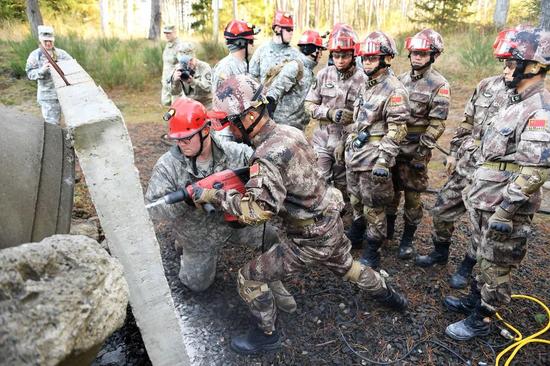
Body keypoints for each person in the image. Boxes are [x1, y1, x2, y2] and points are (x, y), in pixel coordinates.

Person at [193, 74, 408, 355]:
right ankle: (392, 297)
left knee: (249, 277)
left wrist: (217, 196)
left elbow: (258, 211)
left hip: (306, 240)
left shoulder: (266, 156)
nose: (228, 131)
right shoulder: (290, 132)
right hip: (329, 224)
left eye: (228, 123)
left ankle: (265, 335)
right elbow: (296, 176)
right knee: (348, 266)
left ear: (246, 118)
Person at [445, 27, 550, 341]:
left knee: (496, 263)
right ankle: (474, 300)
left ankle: (484, 317)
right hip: (487, 198)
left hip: (505, 205)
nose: (505, 68)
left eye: (511, 62)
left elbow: (535, 170)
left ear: (533, 66)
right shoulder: (516, 102)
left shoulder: (539, 110)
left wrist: (506, 210)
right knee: (480, 253)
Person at [145, 98, 294, 312]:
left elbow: (263, 170)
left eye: (187, 138)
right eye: (177, 139)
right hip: (198, 235)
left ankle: (271, 277)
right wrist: (186, 203)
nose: (181, 143)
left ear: (205, 130)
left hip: (236, 223)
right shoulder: (167, 166)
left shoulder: (235, 152)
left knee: (268, 235)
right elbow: (154, 209)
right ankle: (184, 248)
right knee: (196, 285)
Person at [416, 29, 514, 290]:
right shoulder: (486, 86)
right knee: (441, 209)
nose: (507, 69)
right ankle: (440, 252)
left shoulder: (527, 101)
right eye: (505, 63)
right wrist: (454, 153)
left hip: (495, 176)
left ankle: (468, 265)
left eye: (513, 64)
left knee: (480, 225)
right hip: (467, 165)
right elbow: (466, 123)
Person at [345, 31, 410, 268]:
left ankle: (373, 250)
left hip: (373, 159)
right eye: (365, 58)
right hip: (356, 156)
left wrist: (383, 160)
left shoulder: (394, 89)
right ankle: (358, 233)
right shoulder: (367, 85)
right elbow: (359, 120)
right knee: (355, 200)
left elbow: (397, 129)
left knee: (374, 207)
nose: (367, 62)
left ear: (386, 59)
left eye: (372, 58)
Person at [386, 29, 450, 259]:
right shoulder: (400, 80)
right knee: (390, 192)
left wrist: (422, 152)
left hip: (416, 149)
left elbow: (438, 123)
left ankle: (407, 241)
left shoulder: (439, 84)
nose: (417, 57)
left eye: (423, 53)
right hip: (394, 145)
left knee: (412, 197)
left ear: (433, 55)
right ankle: (388, 233)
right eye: (414, 53)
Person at [305, 25, 366, 202]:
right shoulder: (323, 75)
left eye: (345, 56)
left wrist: (347, 136)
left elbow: (365, 117)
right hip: (322, 138)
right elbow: (309, 105)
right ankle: (321, 218)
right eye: (336, 56)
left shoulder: (363, 79)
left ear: (354, 55)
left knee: (343, 184)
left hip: (346, 140)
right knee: (320, 180)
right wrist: (329, 113)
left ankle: (343, 221)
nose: (340, 60)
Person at [264, 30, 326, 130]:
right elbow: (274, 92)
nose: (321, 55)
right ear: (313, 51)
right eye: (320, 50)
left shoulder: (309, 72)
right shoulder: (295, 67)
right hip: (283, 128)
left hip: (297, 129)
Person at [26, 25, 72, 125]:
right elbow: (29, 73)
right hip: (48, 96)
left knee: (73, 122)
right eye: (45, 41)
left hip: (66, 93)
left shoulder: (62, 54)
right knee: (52, 125)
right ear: (40, 40)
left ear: (53, 40)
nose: (48, 43)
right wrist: (41, 70)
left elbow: (73, 68)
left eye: (50, 40)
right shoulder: (35, 55)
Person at [249, 10, 301, 82]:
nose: (292, 33)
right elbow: (251, 76)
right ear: (277, 29)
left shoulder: (296, 54)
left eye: (292, 29)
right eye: (288, 29)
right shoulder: (261, 50)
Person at [212, 19, 260, 92]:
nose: (253, 45)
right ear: (241, 43)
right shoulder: (225, 68)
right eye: (251, 41)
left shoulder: (243, 64)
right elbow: (220, 100)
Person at [170, 42, 212, 107]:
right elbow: (174, 93)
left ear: (194, 57)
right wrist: (175, 81)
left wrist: (193, 82)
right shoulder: (178, 68)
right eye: (184, 62)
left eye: (190, 60)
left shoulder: (204, 67)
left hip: (205, 104)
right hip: (189, 105)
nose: (188, 64)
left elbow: (208, 89)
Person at [161, 25, 182, 106]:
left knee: (176, 106)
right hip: (166, 80)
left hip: (174, 82)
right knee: (166, 102)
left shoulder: (179, 46)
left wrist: (175, 79)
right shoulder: (168, 45)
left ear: (175, 33)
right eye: (165, 33)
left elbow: (181, 65)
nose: (167, 35)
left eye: (169, 33)